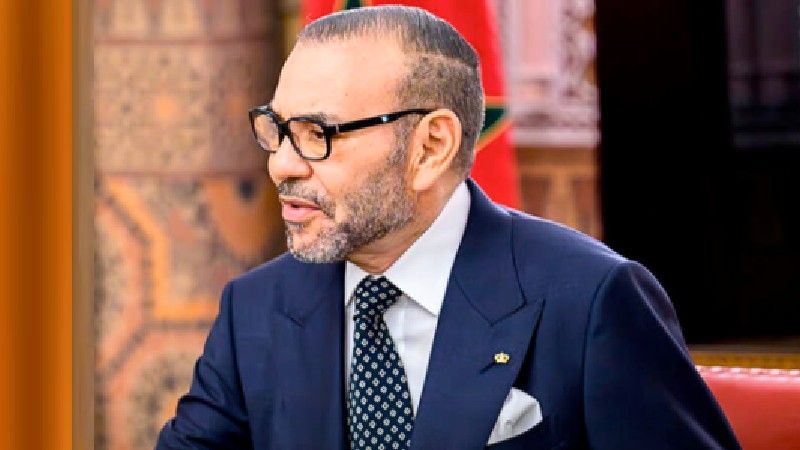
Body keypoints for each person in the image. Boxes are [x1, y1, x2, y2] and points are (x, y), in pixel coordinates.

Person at [156, 6, 740, 450]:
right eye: (277, 130)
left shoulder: (591, 300)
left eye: (317, 134)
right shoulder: (256, 307)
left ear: (431, 147)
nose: (281, 164)